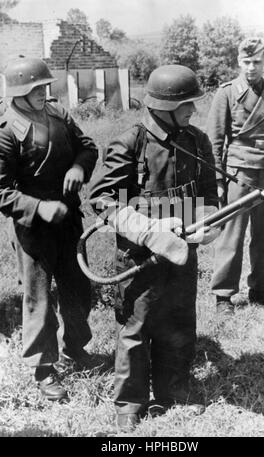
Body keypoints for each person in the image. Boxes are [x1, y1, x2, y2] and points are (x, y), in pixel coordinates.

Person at [89, 64, 220, 431]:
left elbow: (210, 193)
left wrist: (208, 221)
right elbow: (101, 199)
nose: (193, 110)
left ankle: (174, 392)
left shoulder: (196, 140)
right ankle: (130, 403)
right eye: (187, 104)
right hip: (139, 254)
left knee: (179, 321)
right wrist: (148, 229)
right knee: (136, 326)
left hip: (183, 250)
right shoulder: (130, 141)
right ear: (163, 105)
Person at [0, 56, 98, 400]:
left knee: (78, 287)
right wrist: (40, 206)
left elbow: (87, 147)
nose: (44, 91)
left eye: (45, 85)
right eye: (36, 88)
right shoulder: (6, 130)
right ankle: (43, 369)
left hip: (68, 216)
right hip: (33, 226)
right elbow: (2, 190)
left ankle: (75, 347)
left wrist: (78, 168)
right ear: (19, 93)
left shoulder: (58, 114)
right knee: (38, 297)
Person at [207, 37, 264, 315]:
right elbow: (215, 142)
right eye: (246, 62)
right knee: (232, 233)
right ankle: (223, 295)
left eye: (257, 62)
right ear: (238, 62)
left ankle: (260, 289)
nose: (251, 68)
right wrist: (218, 181)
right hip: (238, 171)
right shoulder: (227, 92)